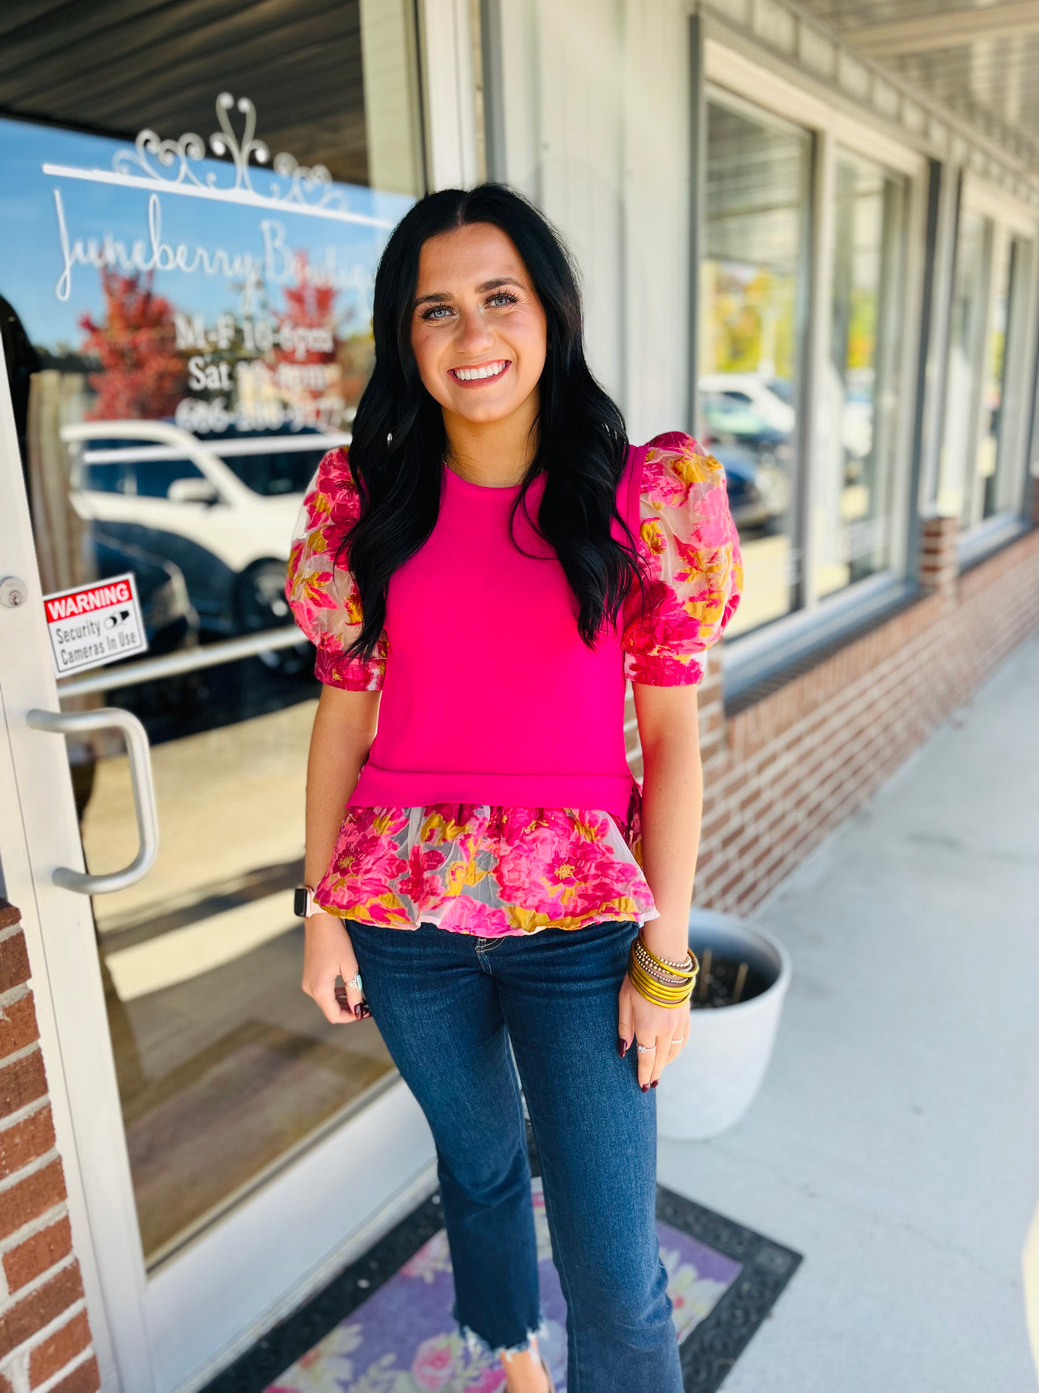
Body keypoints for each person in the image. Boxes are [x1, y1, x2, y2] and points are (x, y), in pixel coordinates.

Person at [284, 182, 742, 1393]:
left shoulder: (643, 497)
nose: (471, 336)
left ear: (550, 313)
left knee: (612, 1261)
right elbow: (342, 723)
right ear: (404, 337)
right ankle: (510, 1357)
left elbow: (674, 747)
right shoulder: (364, 506)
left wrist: (665, 957)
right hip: (403, 925)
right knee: (480, 1167)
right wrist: (322, 906)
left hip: (583, 936)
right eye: (435, 311)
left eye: (500, 298)